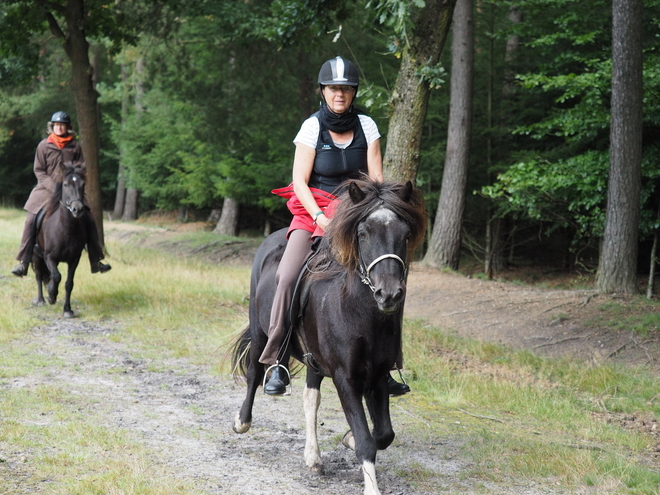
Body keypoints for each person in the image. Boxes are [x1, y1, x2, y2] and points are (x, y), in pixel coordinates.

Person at [259, 56, 410, 396]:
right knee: (286, 275)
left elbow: (376, 178)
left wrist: (371, 212)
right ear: (323, 91)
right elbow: (299, 181)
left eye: (345, 88)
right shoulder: (311, 128)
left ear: (353, 92)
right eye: (333, 88)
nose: (339, 94)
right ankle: (278, 359)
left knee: (391, 276)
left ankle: (389, 365)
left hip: (356, 213)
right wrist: (319, 218)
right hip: (313, 210)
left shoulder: (367, 126)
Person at [11, 111, 111, 278]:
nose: (59, 127)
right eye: (56, 125)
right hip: (46, 189)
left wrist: (74, 182)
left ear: (67, 128)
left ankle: (96, 260)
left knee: (89, 219)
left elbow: (81, 168)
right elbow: (39, 170)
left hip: (71, 190)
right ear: (52, 127)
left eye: (62, 125)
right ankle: (24, 262)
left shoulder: (75, 146)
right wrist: (52, 187)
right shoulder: (44, 145)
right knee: (31, 220)